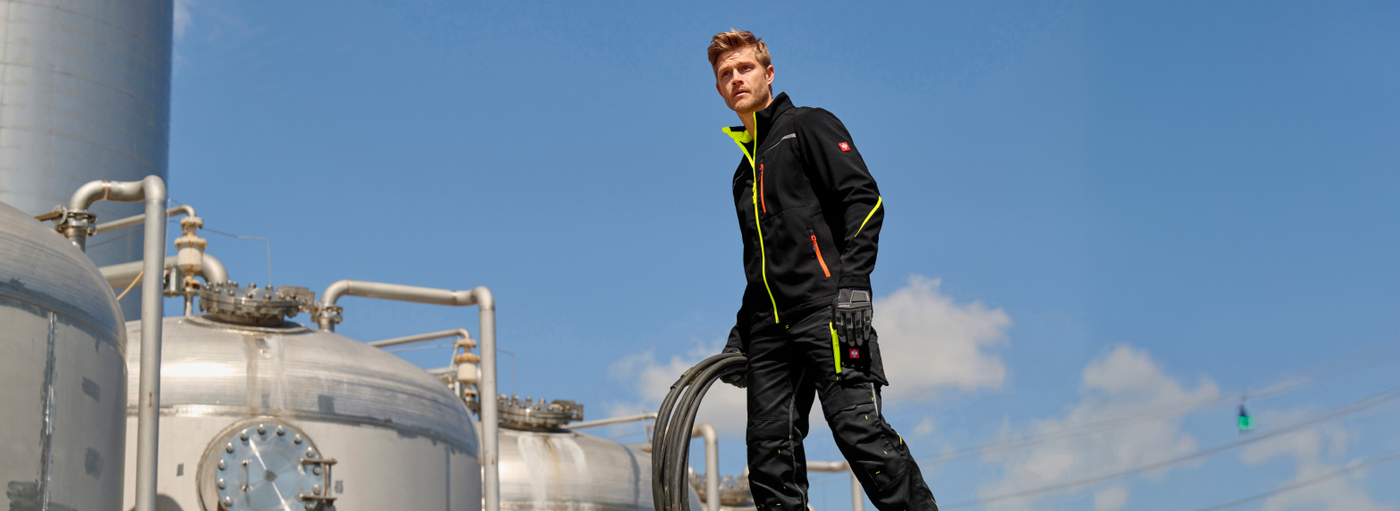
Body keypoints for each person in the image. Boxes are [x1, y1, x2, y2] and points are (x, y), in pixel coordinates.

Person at [708, 30, 939, 510]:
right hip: (771, 331)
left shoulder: (806, 126)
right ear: (718, 88)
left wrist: (854, 285)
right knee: (769, 461)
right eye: (725, 74)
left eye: (744, 68)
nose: (735, 79)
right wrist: (741, 330)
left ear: (768, 74)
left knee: (860, 435)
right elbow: (763, 263)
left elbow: (864, 200)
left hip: (830, 314)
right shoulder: (743, 174)